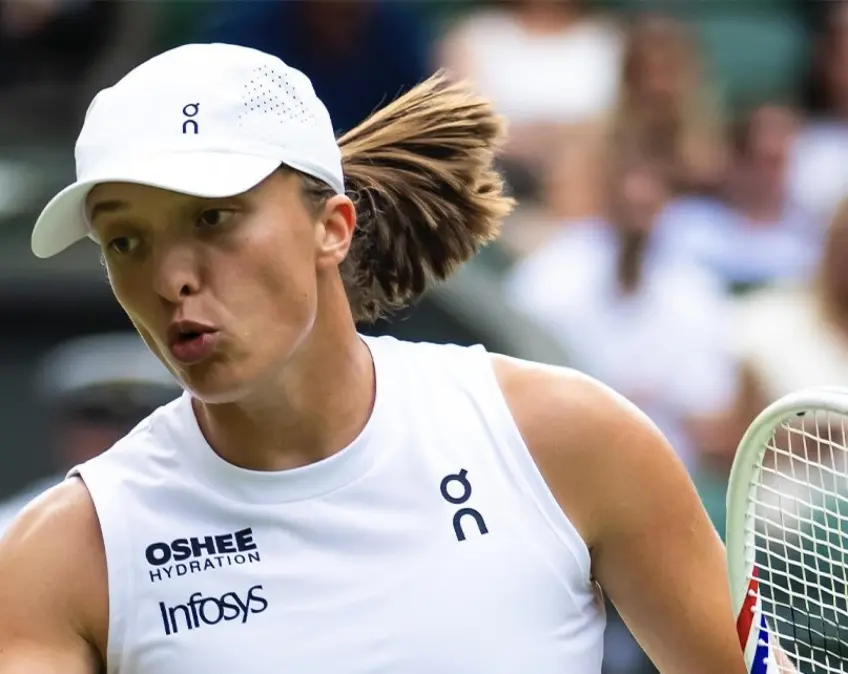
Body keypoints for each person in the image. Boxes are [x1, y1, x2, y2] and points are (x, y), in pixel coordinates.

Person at [0, 43, 746, 674]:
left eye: (212, 217)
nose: (170, 279)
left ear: (332, 227)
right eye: (126, 240)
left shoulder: (569, 438)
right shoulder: (64, 556)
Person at [0, 332, 180, 534]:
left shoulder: (195, 511)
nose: (118, 434)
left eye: (142, 416)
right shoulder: (13, 529)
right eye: (97, 417)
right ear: (62, 430)